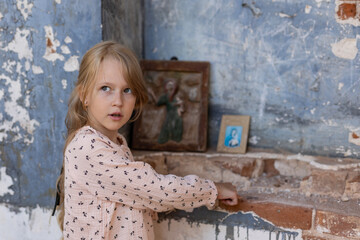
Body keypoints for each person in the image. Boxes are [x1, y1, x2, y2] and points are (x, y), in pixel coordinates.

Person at [53, 41, 238, 240]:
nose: (118, 101)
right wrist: (213, 189)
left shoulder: (116, 141)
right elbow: (157, 190)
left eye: (127, 90)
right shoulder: (88, 148)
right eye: (106, 88)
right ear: (84, 95)